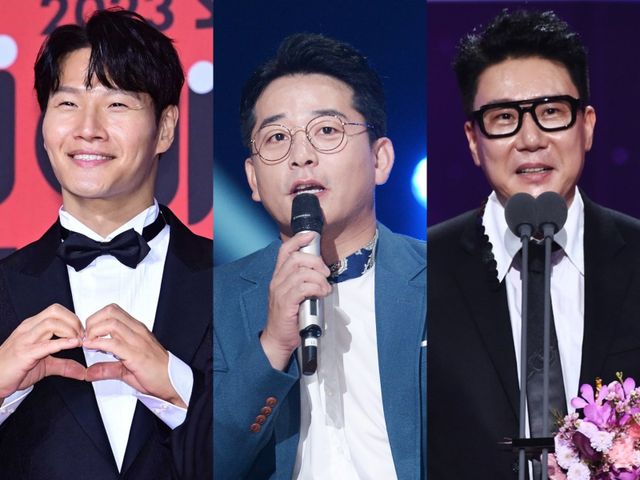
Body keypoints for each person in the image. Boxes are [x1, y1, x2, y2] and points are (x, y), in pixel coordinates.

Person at [428, 9, 640, 479]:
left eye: (551, 112)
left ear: (587, 125)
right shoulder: (423, 271)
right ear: (473, 140)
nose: (530, 139)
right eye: (504, 117)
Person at [0, 9, 211, 479]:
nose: (88, 128)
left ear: (165, 127)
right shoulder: (4, 289)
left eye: (116, 103)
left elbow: (267, 454)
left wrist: (178, 387)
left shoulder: (233, 281)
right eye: (67, 103)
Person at [213, 33, 426, 479]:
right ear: (252, 178)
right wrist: (273, 346)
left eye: (327, 130)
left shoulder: (441, 279)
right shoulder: (212, 300)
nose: (301, 156)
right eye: (276, 137)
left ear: (380, 159)